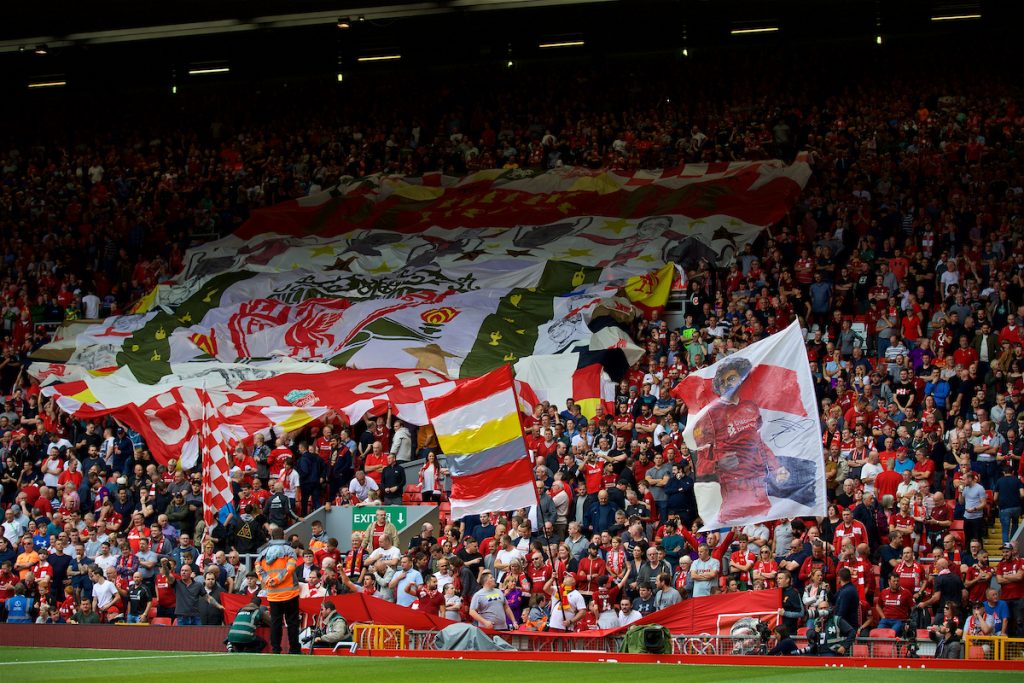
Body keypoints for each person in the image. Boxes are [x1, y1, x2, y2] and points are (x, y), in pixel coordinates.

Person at [691, 356, 790, 524]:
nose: (729, 384)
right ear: (719, 387)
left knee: (764, 525)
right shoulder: (710, 415)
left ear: (740, 379)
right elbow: (698, 458)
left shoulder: (751, 407)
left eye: (732, 378)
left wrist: (777, 467)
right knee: (736, 528)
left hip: (758, 482)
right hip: (733, 485)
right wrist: (717, 463)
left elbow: (758, 442)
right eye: (724, 381)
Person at [256, 526, 301, 654]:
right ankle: (294, 649)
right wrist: (277, 579)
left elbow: (258, 569)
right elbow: (290, 568)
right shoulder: (289, 551)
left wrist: (267, 580)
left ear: (272, 537)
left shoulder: (263, 553)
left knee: (275, 623)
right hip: (290, 593)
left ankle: (276, 649)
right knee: (292, 623)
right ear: (284, 536)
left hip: (273, 595)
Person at [875, 572, 913, 636]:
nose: (896, 583)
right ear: (889, 581)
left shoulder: (906, 592)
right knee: (878, 633)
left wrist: (909, 620)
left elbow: (913, 608)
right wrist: (883, 617)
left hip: (899, 620)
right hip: (885, 620)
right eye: (894, 581)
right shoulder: (884, 592)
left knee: (891, 633)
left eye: (897, 581)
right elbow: (878, 606)